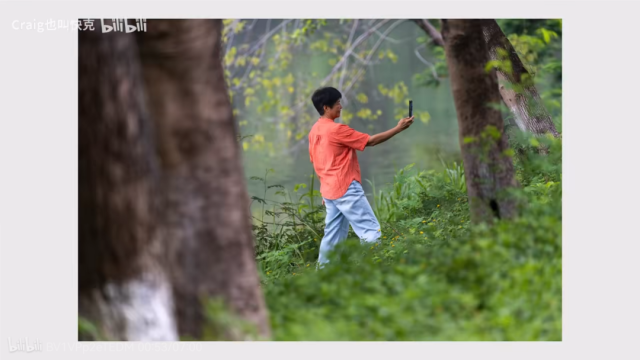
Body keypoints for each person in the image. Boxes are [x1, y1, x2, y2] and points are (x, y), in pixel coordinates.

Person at [308, 86, 414, 266]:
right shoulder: (337, 130)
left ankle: (324, 274)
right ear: (326, 107)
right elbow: (370, 141)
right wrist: (398, 128)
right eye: (337, 103)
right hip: (345, 188)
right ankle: (371, 270)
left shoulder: (314, 131)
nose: (341, 106)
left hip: (330, 191)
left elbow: (317, 162)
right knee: (370, 231)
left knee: (332, 237)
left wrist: (323, 190)